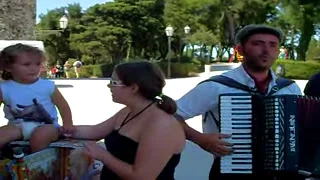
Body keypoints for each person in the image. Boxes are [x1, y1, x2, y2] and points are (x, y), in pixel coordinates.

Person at [174, 24, 302, 179]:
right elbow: (172, 115)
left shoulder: (289, 88)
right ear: (240, 50)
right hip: (232, 171)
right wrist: (201, 139)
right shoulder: (216, 86)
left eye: (272, 45)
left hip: (283, 174)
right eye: (257, 44)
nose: (266, 50)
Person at [64, 61, 185, 179]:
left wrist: (102, 155)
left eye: (113, 82)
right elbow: (95, 131)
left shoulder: (161, 125)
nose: (109, 86)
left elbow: (142, 176)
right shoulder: (128, 112)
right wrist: (61, 130)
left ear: (133, 88)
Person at [0, 43, 74, 153]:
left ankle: (35, 163)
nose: (33, 68)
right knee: (2, 134)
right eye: (26, 64)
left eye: (37, 64)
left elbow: (63, 106)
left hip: (47, 126)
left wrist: (68, 123)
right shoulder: (4, 88)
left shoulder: (47, 86)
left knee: (40, 137)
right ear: (8, 67)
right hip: (18, 127)